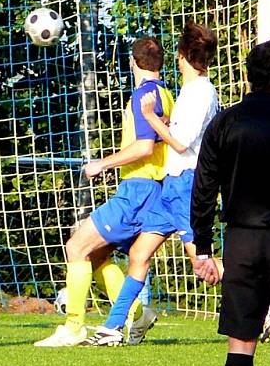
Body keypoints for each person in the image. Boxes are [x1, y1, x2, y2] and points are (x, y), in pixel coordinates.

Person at [82, 21, 221, 346]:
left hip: (188, 187)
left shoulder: (200, 91)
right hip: (170, 187)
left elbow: (181, 143)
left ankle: (268, 305)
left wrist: (152, 118)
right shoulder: (189, 91)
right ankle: (114, 328)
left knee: (203, 263)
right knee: (139, 254)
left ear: (182, 54)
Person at [35, 37, 174, 347]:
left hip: (138, 191)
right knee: (97, 256)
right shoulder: (164, 93)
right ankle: (136, 314)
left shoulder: (143, 95)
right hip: (153, 191)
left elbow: (143, 147)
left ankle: (74, 327)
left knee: (76, 247)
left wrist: (102, 164)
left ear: (133, 62)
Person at [191, 39, 270, 366]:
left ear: (248, 75)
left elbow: (203, 189)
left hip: (241, 242)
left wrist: (203, 248)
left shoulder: (225, 124)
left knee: (240, 342)